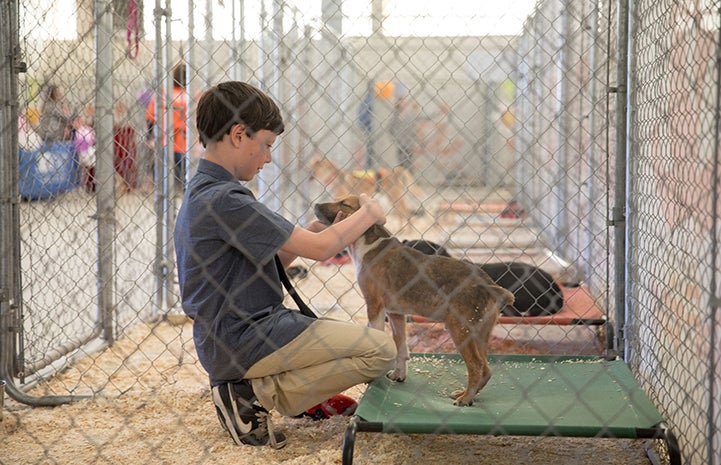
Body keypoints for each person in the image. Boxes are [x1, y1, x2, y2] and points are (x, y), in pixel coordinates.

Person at [174, 81, 396, 449]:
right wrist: (369, 213)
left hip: (229, 335)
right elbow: (322, 249)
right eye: (266, 146)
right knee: (380, 350)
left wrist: (314, 228)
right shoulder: (227, 199)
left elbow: (273, 260)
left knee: (342, 339)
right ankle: (253, 395)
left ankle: (250, 389)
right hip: (247, 335)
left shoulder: (205, 190)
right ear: (239, 135)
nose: (267, 158)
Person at [146, 63, 188, 192]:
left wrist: (149, 137)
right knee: (184, 176)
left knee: (163, 175)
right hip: (185, 142)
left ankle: (163, 196)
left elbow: (150, 118)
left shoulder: (163, 94)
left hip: (165, 140)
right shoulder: (189, 95)